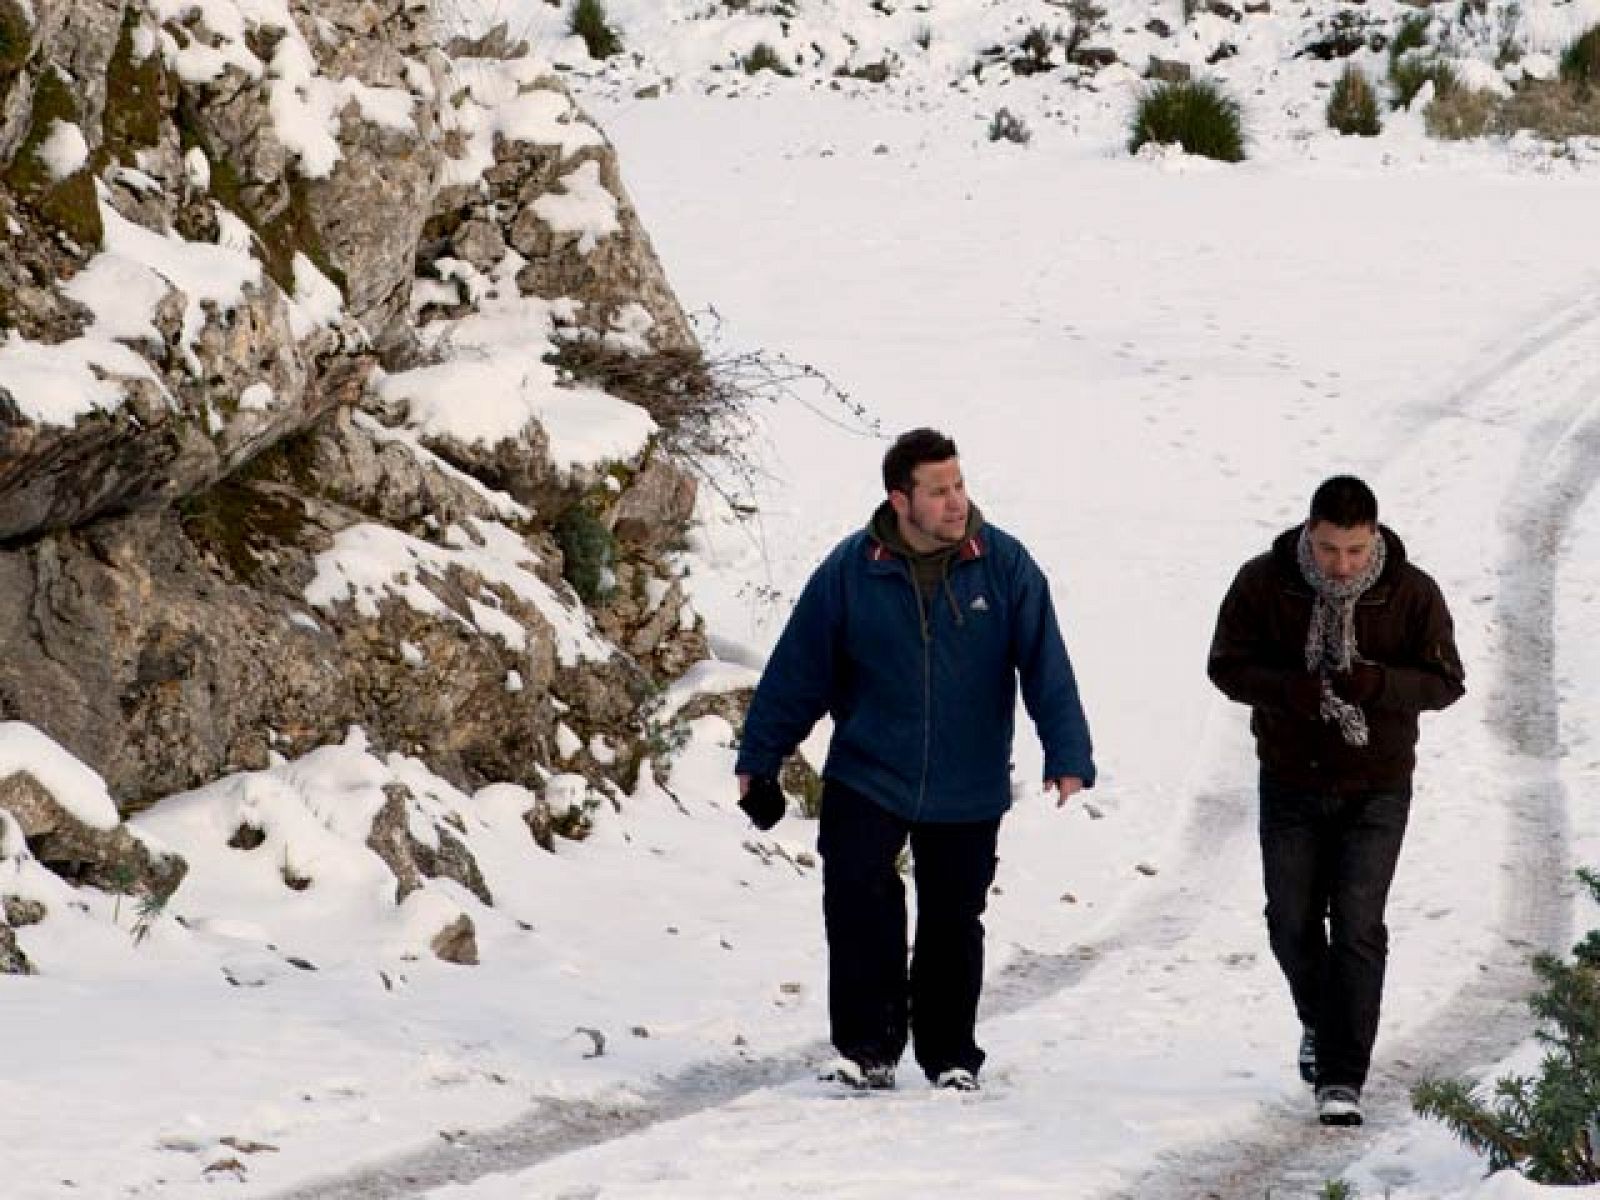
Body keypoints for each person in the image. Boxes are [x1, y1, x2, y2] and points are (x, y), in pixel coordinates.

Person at [735, 427, 1095, 1093]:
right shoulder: (852, 569)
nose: (956, 502)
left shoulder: (1004, 565)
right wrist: (759, 759)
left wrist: (1066, 750)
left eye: (958, 485)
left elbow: (1047, 665)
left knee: (953, 919)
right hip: (869, 767)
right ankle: (868, 1048)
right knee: (856, 896)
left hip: (969, 778)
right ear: (901, 499)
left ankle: (950, 1054)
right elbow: (798, 670)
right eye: (938, 491)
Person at [1207, 475, 1464, 1127]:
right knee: (1289, 920)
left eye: (1352, 550)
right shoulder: (1265, 581)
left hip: (1376, 786)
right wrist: (1287, 690)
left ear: (1373, 535)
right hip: (1291, 779)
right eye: (1327, 549)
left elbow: (1445, 682)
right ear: (1308, 533)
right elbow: (1226, 665)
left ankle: (1342, 1076)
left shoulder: (1411, 592)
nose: (1340, 564)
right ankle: (1320, 1021)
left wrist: (1377, 683)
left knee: (1356, 926)